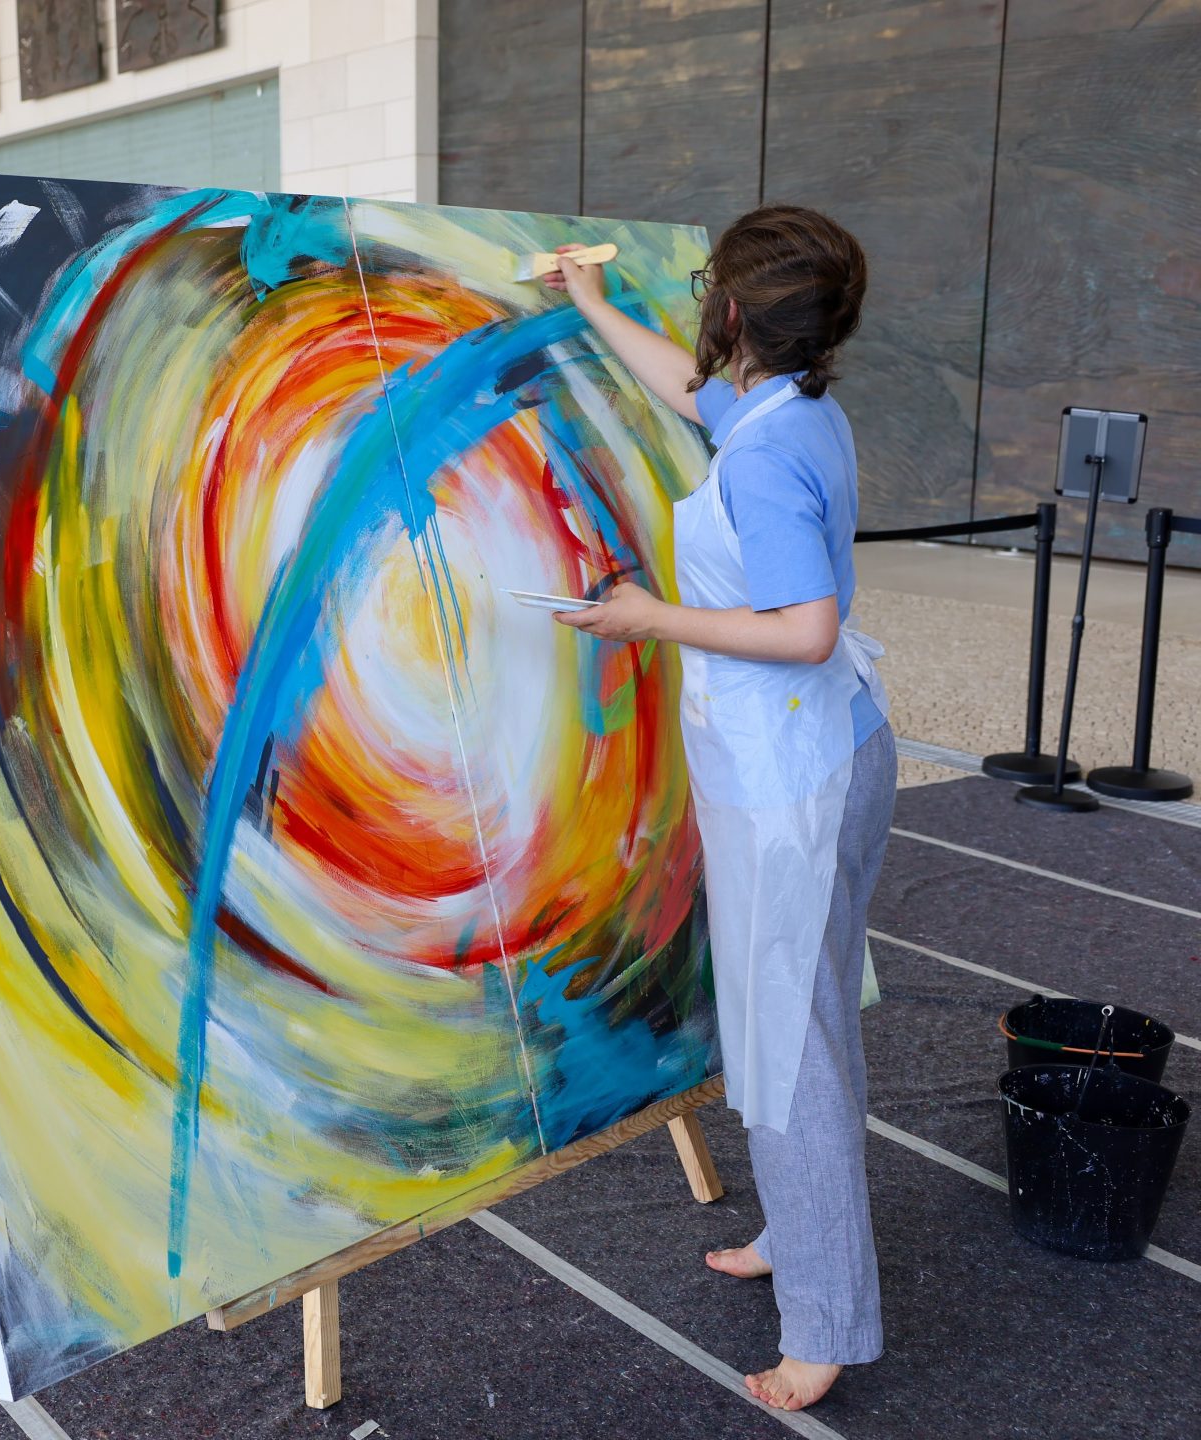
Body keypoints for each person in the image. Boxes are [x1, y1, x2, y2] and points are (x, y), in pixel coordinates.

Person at [543, 206, 894, 1413]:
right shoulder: (783, 404)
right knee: (797, 1024)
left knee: (794, 1051)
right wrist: (593, 307)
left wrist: (647, 619)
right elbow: (692, 393)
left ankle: (826, 1325)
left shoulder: (764, 453)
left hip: (799, 777)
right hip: (816, 752)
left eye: (707, 287)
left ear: (734, 312)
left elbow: (807, 630)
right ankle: (803, 1236)